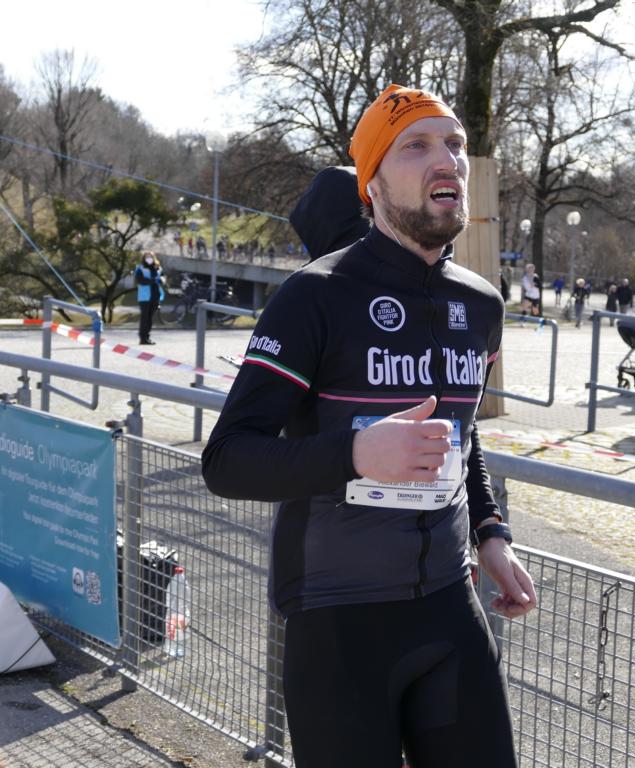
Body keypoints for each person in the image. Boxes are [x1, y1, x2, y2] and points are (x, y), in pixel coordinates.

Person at [202, 83, 536, 768]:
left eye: (455, 144)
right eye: (416, 146)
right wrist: (357, 453)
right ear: (372, 183)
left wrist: (491, 533)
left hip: (449, 607)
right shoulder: (315, 296)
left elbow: (460, 438)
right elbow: (227, 460)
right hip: (338, 620)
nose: (446, 159)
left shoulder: (482, 305)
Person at [134, 251, 164, 345]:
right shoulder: (140, 268)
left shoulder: (157, 268)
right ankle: (142, 338)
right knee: (145, 317)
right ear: (144, 258)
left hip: (155, 295)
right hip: (144, 297)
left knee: (150, 318)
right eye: (147, 257)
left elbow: (162, 278)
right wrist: (152, 281)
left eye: (150, 257)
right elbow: (139, 280)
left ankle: (147, 337)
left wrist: (162, 280)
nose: (149, 259)